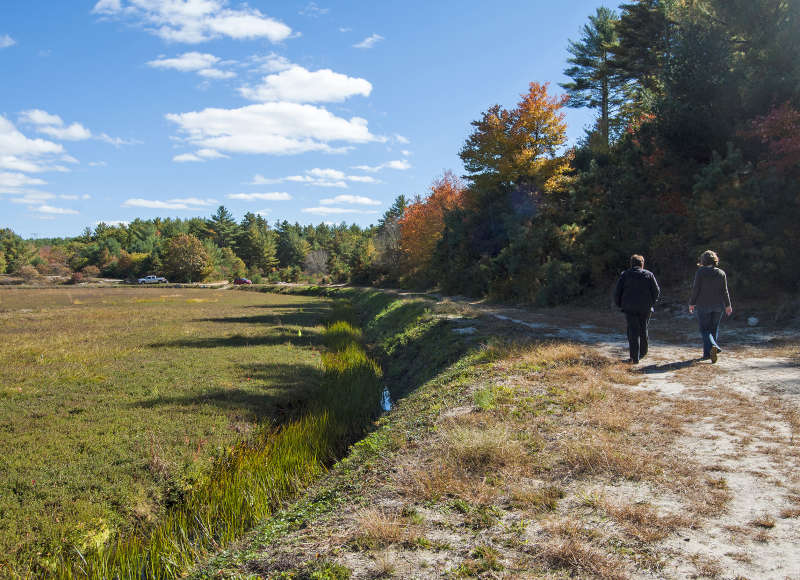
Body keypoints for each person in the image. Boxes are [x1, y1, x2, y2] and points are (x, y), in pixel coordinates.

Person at [614, 254, 661, 363]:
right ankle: (643, 352)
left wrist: (620, 304)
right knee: (643, 329)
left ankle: (634, 357)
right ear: (642, 264)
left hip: (629, 308)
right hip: (646, 307)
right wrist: (651, 303)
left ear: (631, 264)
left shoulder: (625, 275)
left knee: (633, 331)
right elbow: (656, 291)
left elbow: (617, 292)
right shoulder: (649, 275)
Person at [689, 250, 732, 363]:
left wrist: (692, 303)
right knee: (713, 329)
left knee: (704, 330)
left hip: (703, 305)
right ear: (715, 260)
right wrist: (728, 305)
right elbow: (725, 291)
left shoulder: (700, 272)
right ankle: (708, 354)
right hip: (718, 306)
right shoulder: (721, 273)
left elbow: (696, 289)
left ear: (703, 260)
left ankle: (713, 346)